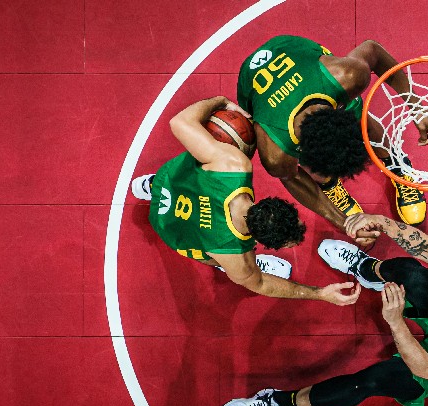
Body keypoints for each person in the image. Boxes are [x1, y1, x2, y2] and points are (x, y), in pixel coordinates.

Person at [220, 213, 428, 406]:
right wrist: (384, 223)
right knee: (413, 274)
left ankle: (275, 402)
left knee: (368, 383)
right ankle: (367, 270)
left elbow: (426, 368)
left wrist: (396, 322)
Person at [130, 96, 360, 306]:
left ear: (273, 201)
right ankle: (220, 265)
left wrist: (219, 101)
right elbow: (259, 283)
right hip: (167, 228)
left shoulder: (234, 166)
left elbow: (178, 122)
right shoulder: (235, 255)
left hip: (167, 180)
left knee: (206, 158)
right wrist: (318, 293)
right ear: (259, 242)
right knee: (218, 260)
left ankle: (151, 186)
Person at [237, 35, 428, 238]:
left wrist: (416, 107)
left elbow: (373, 51)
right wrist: (343, 222)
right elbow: (292, 177)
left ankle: (396, 165)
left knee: (364, 125)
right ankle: (329, 184)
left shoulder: (346, 75)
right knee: (316, 167)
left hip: (293, 49)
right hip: (250, 82)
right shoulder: (275, 153)